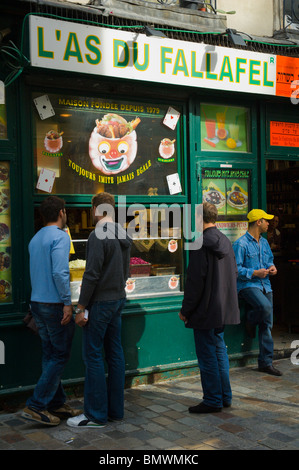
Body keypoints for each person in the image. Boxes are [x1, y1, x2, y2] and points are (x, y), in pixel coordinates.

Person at [67, 192, 132, 428]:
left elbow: (91, 274)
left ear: (95, 208)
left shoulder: (98, 235)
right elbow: (126, 272)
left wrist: (81, 307)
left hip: (101, 303)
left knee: (92, 355)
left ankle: (95, 414)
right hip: (118, 299)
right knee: (114, 354)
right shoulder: (122, 233)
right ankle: (115, 411)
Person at [22, 196, 80, 426]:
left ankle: (56, 404)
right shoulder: (60, 236)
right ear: (62, 213)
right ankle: (36, 405)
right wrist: (67, 302)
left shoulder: (35, 239)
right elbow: (60, 273)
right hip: (54, 304)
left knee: (50, 355)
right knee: (60, 355)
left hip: (37, 303)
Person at [179, 202, 240, 414]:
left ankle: (213, 399)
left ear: (198, 219)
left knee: (207, 355)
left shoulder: (200, 243)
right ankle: (224, 397)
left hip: (205, 310)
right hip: (223, 308)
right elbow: (234, 274)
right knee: (219, 351)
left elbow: (195, 282)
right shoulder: (225, 241)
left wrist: (185, 310)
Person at [233, 209, 282, 376]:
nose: (269, 223)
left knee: (267, 324)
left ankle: (265, 363)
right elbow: (236, 270)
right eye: (266, 220)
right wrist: (254, 273)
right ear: (258, 222)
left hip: (265, 285)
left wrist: (272, 268)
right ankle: (250, 320)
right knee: (266, 308)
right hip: (248, 285)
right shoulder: (240, 244)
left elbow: (269, 261)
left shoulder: (265, 242)